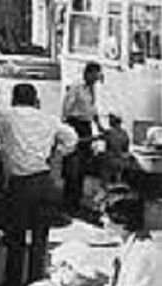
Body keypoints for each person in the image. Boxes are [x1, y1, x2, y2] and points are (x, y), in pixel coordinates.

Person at [0, 83, 78, 286]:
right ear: (36, 100)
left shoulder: (6, 116)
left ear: (13, 99)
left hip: (20, 184)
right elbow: (72, 138)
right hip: (43, 181)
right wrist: (58, 152)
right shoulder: (49, 119)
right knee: (40, 238)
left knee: (15, 236)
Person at [62, 61, 104, 213]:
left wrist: (99, 126)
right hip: (75, 125)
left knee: (82, 166)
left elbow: (92, 109)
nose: (97, 79)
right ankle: (68, 203)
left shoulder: (92, 89)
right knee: (73, 166)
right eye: (95, 75)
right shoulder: (76, 87)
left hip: (86, 126)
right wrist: (66, 129)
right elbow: (66, 108)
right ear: (88, 73)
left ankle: (77, 201)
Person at [101, 113, 131, 185]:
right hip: (121, 160)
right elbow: (126, 147)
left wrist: (96, 122)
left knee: (106, 179)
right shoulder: (124, 133)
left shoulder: (110, 132)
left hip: (111, 159)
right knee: (118, 178)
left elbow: (100, 134)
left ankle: (106, 187)